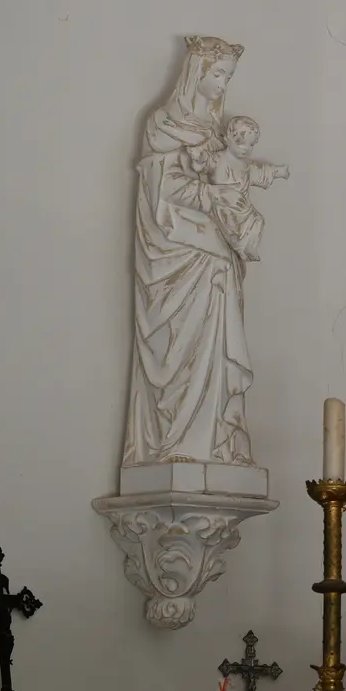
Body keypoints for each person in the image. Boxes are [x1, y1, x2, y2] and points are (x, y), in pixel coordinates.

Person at [122, 36, 257, 466]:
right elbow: (162, 192)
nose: (222, 84)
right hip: (177, 253)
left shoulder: (220, 137)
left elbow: (235, 182)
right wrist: (214, 196)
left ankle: (215, 442)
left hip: (216, 258)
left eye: (227, 77)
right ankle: (173, 443)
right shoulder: (162, 124)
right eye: (217, 74)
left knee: (215, 346)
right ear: (197, 73)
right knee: (178, 345)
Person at [195, 115, 287, 261]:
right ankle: (238, 246)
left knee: (258, 220)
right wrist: (200, 159)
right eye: (240, 143)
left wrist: (278, 171)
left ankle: (248, 247)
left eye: (251, 145)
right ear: (227, 139)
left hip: (243, 207)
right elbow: (205, 163)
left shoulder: (246, 165)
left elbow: (261, 171)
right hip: (223, 204)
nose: (246, 149)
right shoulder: (218, 159)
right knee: (231, 224)